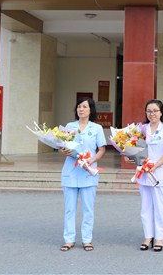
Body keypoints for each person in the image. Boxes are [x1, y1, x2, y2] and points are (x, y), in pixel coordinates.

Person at [59, 97, 107, 252]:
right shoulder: (69, 126)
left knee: (88, 209)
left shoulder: (97, 128)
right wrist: (63, 150)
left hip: (88, 172)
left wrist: (91, 161)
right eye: (79, 106)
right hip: (71, 172)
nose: (81, 109)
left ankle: (87, 240)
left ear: (90, 110)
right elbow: (62, 146)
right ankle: (69, 239)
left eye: (85, 106)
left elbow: (102, 149)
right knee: (69, 209)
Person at [137, 99, 163, 252]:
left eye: (155, 111)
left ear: (161, 112)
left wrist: (156, 165)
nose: (152, 114)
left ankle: (159, 237)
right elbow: (136, 149)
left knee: (159, 207)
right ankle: (148, 236)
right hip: (143, 173)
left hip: (159, 173)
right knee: (146, 207)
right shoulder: (141, 129)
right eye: (149, 111)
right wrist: (131, 157)